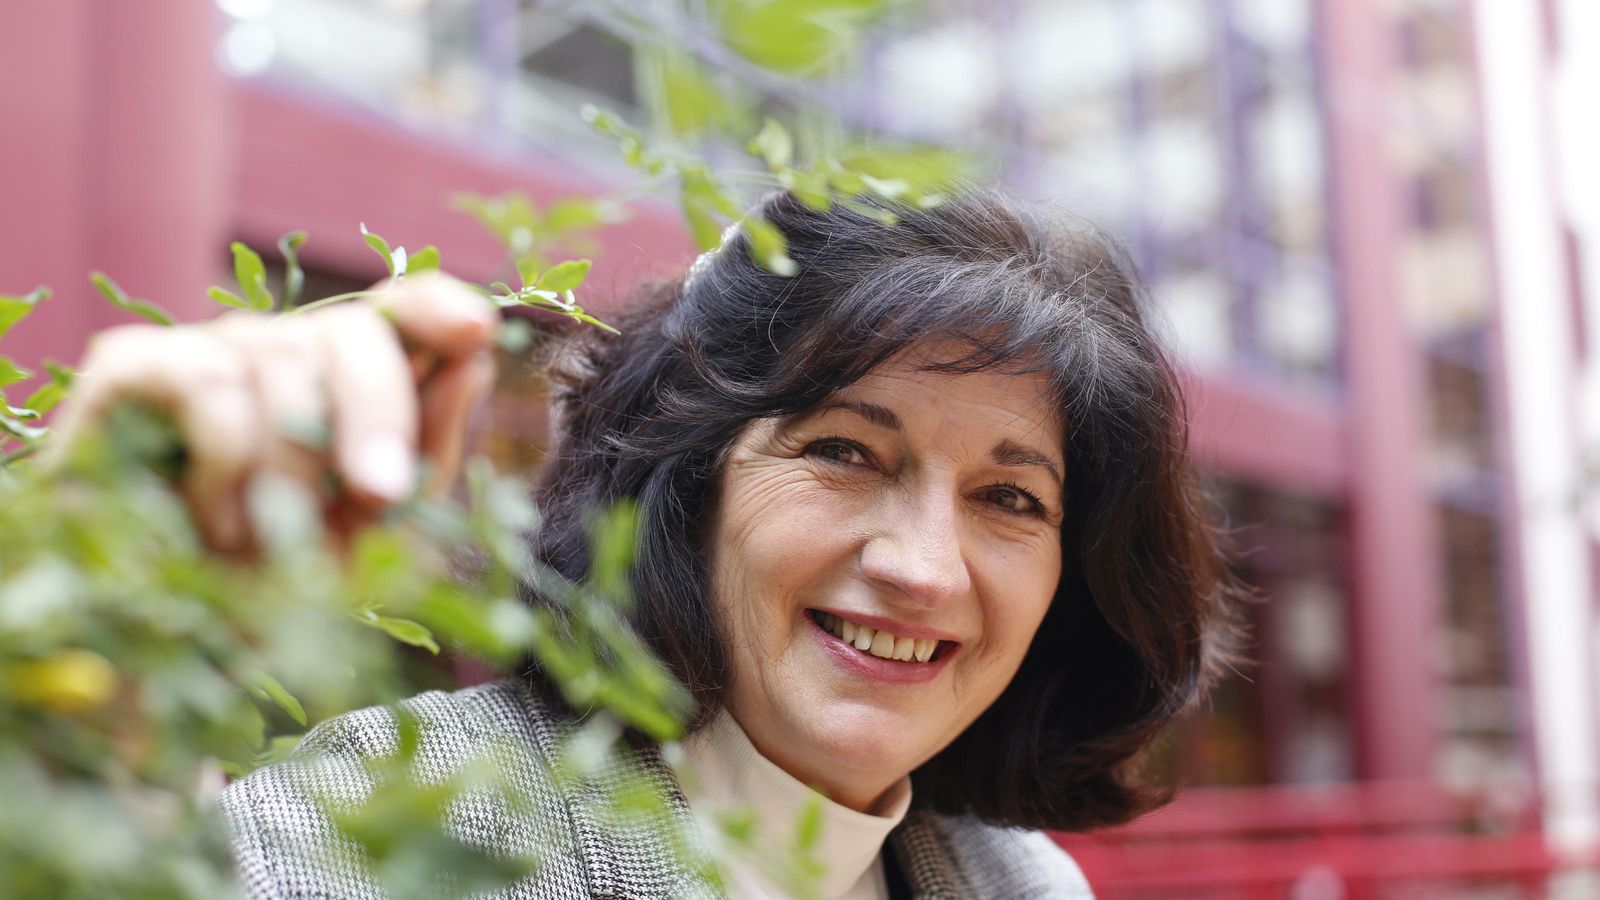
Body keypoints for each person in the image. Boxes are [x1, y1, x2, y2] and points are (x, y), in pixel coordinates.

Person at [59, 189, 1239, 898]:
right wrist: (99, 655)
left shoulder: (1016, 879)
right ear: (689, 484)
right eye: (844, 451)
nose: (923, 568)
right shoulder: (394, 821)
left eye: (1012, 500)